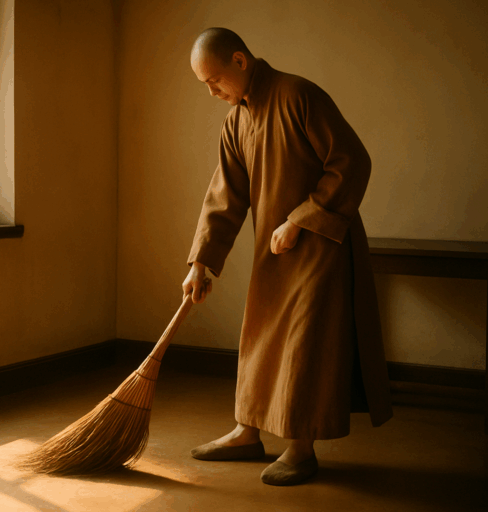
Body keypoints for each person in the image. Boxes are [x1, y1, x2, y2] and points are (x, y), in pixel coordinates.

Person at [183, 27, 393, 486]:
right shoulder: (236, 121)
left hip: (321, 246)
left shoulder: (299, 95)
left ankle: (300, 449)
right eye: (206, 86)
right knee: (259, 335)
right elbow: (225, 196)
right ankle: (247, 432)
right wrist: (201, 260)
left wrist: (303, 217)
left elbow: (352, 160)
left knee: (304, 345)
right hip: (273, 249)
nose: (213, 91)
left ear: (240, 60)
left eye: (214, 80)